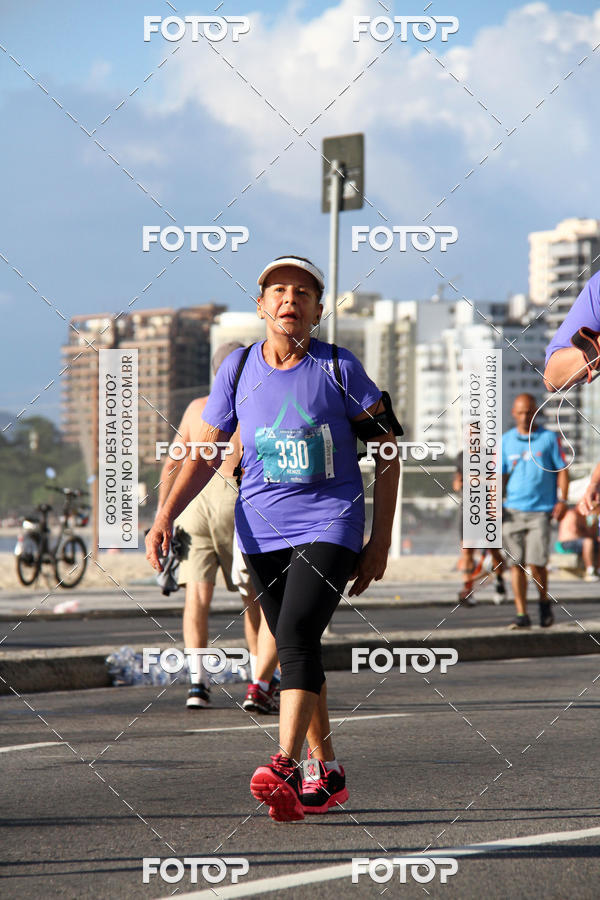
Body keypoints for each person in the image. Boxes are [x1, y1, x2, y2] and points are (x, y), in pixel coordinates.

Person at [146, 254, 400, 822]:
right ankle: (327, 772)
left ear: (315, 309)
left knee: (295, 634)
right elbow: (205, 452)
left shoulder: (339, 366)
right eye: (279, 290)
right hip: (260, 529)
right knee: (296, 646)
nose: (291, 299)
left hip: (331, 523)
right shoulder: (236, 370)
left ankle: (284, 761)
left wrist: (379, 540)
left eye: (304, 292)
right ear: (261, 305)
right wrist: (164, 515)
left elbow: (387, 451)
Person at [156, 342, 279, 711]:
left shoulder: (197, 408)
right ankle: (260, 683)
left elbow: (172, 464)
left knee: (197, 596)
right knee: (253, 599)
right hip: (238, 497)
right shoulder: (256, 403)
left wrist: (164, 514)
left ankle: (198, 684)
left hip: (194, 502)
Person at [502, 393, 569, 628]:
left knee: (537, 563)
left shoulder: (549, 438)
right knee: (515, 563)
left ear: (535, 413)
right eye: (520, 412)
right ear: (513, 413)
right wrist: (493, 504)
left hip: (541, 510)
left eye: (529, 412)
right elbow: (500, 476)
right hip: (512, 510)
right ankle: (522, 614)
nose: (524, 417)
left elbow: (562, 469)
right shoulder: (506, 441)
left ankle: (543, 602)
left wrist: (562, 499)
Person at [453, 450, 506, 605]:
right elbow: (457, 481)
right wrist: (459, 483)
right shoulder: (461, 456)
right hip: (468, 509)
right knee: (467, 551)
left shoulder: (489, 455)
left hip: (488, 508)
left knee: (494, 549)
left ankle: (500, 581)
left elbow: (495, 480)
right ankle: (468, 590)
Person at [555, 504, 599, 581]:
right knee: (588, 542)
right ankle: (590, 571)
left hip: (580, 542)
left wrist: (593, 524)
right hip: (565, 544)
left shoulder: (585, 517)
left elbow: (592, 535)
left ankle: (598, 570)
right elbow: (575, 534)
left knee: (594, 542)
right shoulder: (572, 514)